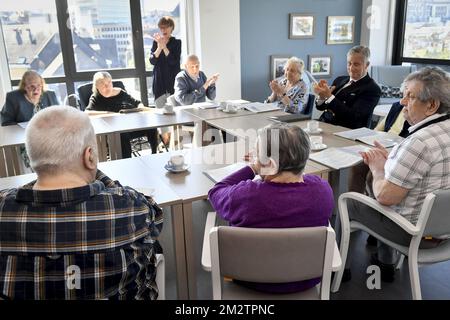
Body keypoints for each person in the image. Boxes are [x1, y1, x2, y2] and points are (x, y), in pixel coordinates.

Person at [0, 106, 163, 299]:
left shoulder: (3, 209)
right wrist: (96, 172)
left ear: (31, 159)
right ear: (90, 156)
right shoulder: (130, 207)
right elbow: (157, 217)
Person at [345, 67, 450, 282]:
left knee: (349, 203)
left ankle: (342, 268)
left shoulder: (419, 142)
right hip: (445, 229)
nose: (402, 102)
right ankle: (384, 260)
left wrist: (377, 167)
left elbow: (385, 196)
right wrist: (393, 159)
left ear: (431, 105)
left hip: (413, 233)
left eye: (409, 96)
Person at [208, 122, 334, 294]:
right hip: (305, 282)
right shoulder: (323, 191)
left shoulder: (246, 196)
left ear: (269, 163)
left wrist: (252, 168)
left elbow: (216, 192)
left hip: (249, 280)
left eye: (257, 153)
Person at [86, 71, 158, 158]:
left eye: (109, 82)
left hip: (130, 124)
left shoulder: (120, 92)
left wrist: (141, 108)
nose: (107, 86)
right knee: (122, 135)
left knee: (151, 127)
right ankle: (127, 161)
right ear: (97, 86)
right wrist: (109, 114)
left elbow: (137, 102)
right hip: (114, 131)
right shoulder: (96, 97)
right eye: (103, 84)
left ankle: (154, 153)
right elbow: (87, 113)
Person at [314, 45, 381, 129]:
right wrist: (322, 96)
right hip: (324, 124)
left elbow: (353, 117)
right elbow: (321, 107)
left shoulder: (372, 89)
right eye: (349, 63)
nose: (351, 68)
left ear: (366, 65)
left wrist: (329, 96)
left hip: (346, 131)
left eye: (356, 64)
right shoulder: (339, 80)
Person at [150, 16, 181, 108]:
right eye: (162, 27)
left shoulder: (177, 42)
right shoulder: (156, 42)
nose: (164, 30)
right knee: (161, 116)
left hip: (173, 83)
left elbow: (173, 62)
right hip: (159, 84)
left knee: (176, 114)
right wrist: (159, 47)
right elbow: (152, 61)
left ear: (171, 27)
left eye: (166, 27)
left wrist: (164, 47)